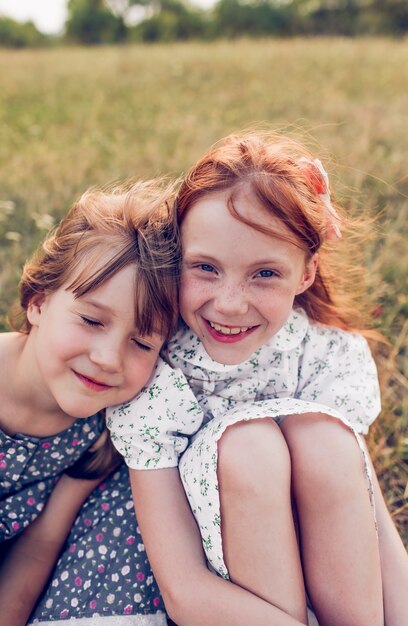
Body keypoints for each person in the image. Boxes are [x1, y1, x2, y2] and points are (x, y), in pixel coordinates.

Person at [108, 132, 408, 626]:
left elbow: (367, 513)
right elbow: (183, 591)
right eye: (205, 267)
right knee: (250, 448)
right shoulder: (156, 374)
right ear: (174, 255)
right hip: (229, 606)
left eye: (264, 273)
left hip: (335, 586)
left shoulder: (323, 356)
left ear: (307, 273)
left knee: (328, 441)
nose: (229, 304)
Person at [0, 180, 179, 626]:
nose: (107, 359)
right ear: (39, 304)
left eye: (141, 343)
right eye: (91, 320)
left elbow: (40, 544)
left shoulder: (104, 430)